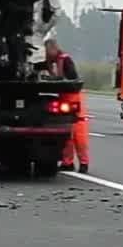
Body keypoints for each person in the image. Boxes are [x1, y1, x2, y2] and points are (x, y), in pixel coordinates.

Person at [44, 38, 91, 173]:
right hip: (65, 98)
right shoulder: (55, 61)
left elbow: (72, 77)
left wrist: (54, 79)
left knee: (78, 134)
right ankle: (67, 162)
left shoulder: (65, 60)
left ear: (53, 49)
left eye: (48, 52)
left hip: (74, 98)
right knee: (67, 136)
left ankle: (84, 163)